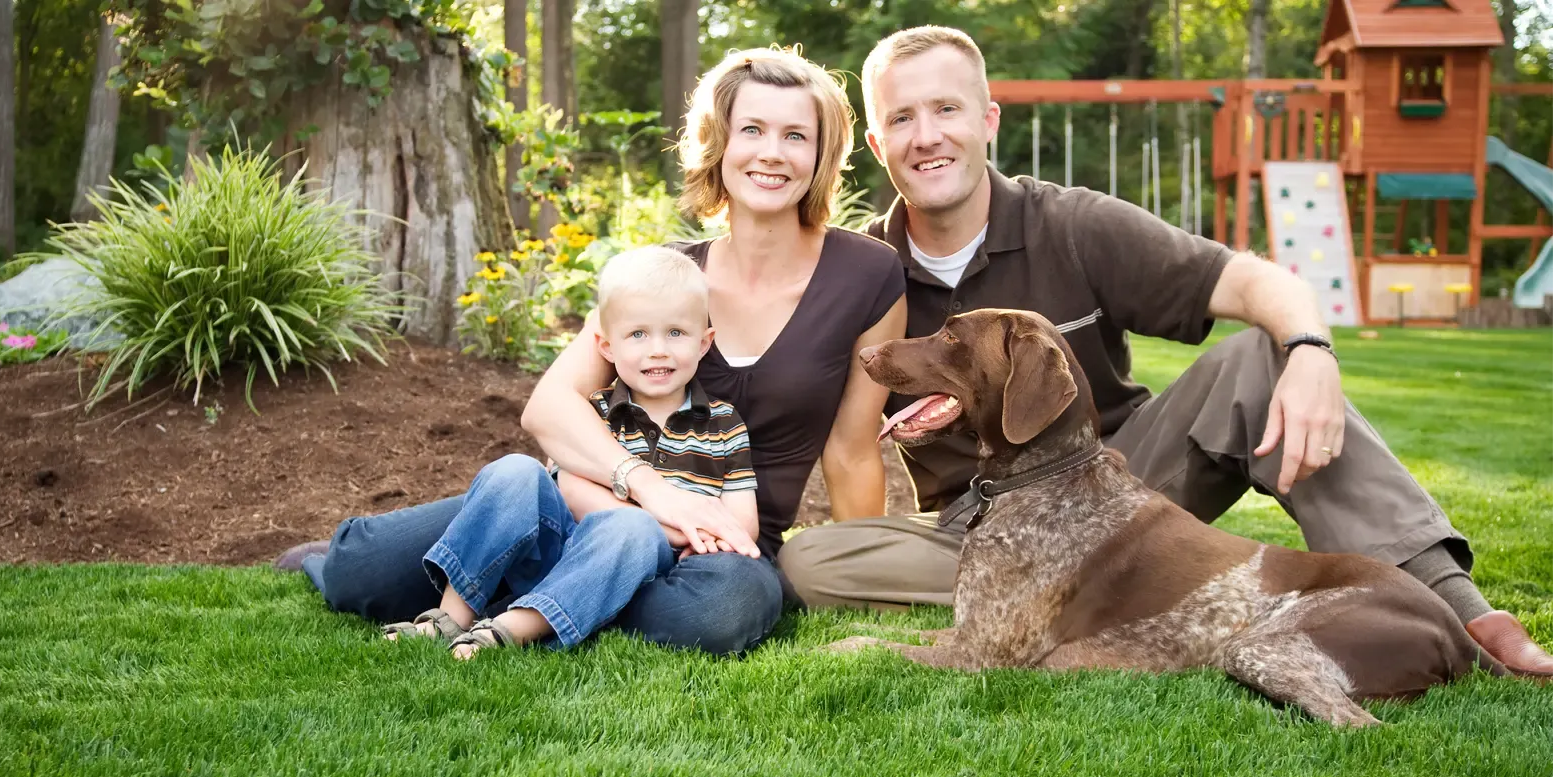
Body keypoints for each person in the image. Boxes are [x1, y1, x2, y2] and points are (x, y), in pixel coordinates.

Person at [776, 24, 1553, 675]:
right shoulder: (868, 271)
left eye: (947, 108)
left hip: (1124, 495)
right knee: (813, 562)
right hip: (977, 532)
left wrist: (1313, 351)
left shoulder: (1074, 225)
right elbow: (840, 437)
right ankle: (1029, 605)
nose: (927, 135)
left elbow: (1253, 283)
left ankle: (1461, 610)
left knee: (1262, 355)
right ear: (878, 143)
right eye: (903, 118)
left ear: (989, 120)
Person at [275, 46, 909, 656]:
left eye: (796, 135)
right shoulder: (665, 277)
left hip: (718, 552)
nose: (772, 153)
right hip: (583, 514)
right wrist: (652, 499)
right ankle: (564, 590)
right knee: (361, 574)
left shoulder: (866, 275)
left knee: (721, 613)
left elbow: (851, 451)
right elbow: (548, 407)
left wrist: (864, 580)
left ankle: (533, 597)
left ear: (822, 153)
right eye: (752, 130)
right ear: (720, 144)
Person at [378, 246, 760, 659]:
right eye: (638, 334)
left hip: (630, 568)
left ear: (704, 343)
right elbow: (567, 488)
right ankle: (448, 618)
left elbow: (742, 525)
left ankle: (511, 630)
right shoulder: (595, 413)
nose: (657, 350)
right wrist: (674, 523)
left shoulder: (723, 425)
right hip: (559, 545)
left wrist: (677, 535)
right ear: (606, 346)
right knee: (514, 471)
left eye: (675, 333)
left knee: (632, 530)